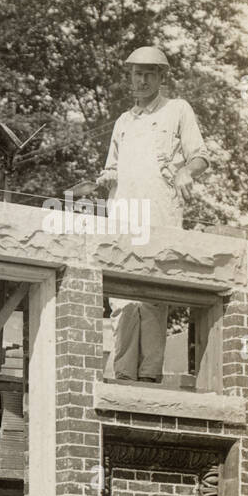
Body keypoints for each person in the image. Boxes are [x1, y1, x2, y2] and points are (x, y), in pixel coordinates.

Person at [96, 46, 209, 383]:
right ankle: (123, 376)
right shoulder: (123, 122)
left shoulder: (177, 110)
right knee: (122, 298)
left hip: (159, 216)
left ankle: (148, 377)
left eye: (149, 73)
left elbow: (200, 156)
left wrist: (188, 171)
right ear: (130, 78)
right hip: (123, 216)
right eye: (136, 73)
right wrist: (105, 179)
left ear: (161, 77)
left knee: (153, 296)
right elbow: (112, 168)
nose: (142, 79)